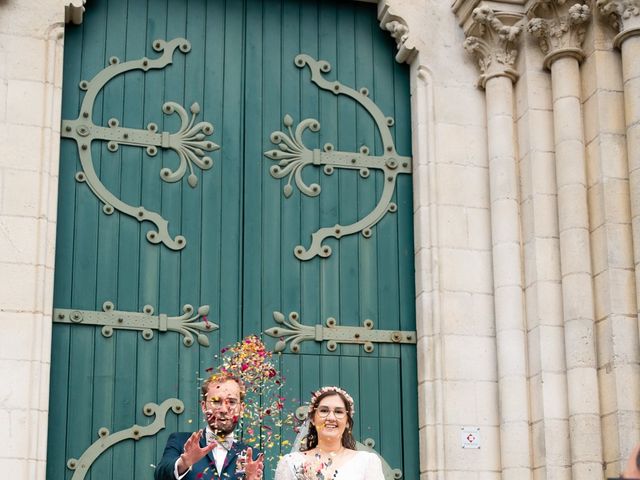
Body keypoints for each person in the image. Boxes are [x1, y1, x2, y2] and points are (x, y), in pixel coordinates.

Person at [154, 373, 264, 480]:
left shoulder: (253, 456)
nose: (224, 410)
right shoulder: (179, 441)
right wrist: (184, 463)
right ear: (204, 406)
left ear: (241, 408)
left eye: (231, 402)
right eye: (216, 402)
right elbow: (160, 476)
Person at [274, 386, 385, 480]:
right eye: (324, 410)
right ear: (312, 418)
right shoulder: (290, 462)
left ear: (347, 421)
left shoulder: (367, 462)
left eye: (338, 412)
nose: (331, 417)